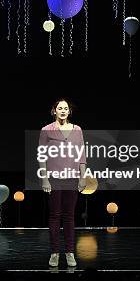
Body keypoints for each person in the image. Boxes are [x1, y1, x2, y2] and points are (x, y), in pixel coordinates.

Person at [39, 98, 86, 268]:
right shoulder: (46, 130)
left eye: (66, 108)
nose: (63, 110)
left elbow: (81, 156)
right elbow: (42, 156)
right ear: (54, 111)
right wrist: (44, 178)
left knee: (69, 216)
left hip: (72, 177)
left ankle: (69, 252)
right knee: (55, 215)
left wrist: (82, 177)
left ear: (69, 111)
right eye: (60, 108)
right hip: (54, 177)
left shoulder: (77, 130)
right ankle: (54, 253)